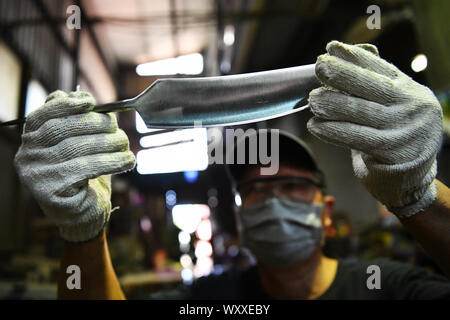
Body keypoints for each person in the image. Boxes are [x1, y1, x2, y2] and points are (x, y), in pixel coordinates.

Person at [13, 41, 450, 299]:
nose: (274, 199)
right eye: (255, 192)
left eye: (293, 185)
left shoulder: (391, 289)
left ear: (328, 206)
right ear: (239, 216)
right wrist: (84, 234)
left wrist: (419, 196)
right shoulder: (209, 299)